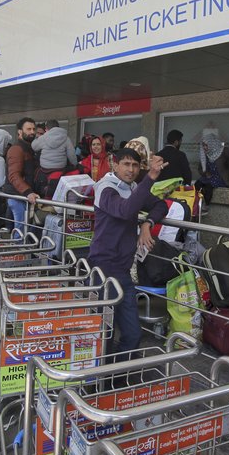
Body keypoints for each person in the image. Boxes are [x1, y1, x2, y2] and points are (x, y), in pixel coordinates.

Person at [88, 148, 168, 362]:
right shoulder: (106, 188)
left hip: (123, 271)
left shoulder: (133, 187)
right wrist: (150, 178)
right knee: (104, 333)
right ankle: (99, 384)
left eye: (135, 165)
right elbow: (124, 210)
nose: (131, 170)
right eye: (126, 164)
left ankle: (118, 377)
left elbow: (160, 205)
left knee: (132, 334)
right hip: (103, 270)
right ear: (114, 165)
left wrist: (147, 224)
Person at [2, 118, 39, 237]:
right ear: (19, 132)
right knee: (21, 231)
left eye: (33, 129)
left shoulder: (31, 149)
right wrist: (27, 192)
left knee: (25, 230)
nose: (32, 132)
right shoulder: (17, 149)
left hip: (24, 196)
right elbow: (14, 175)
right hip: (18, 196)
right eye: (28, 129)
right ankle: (18, 254)